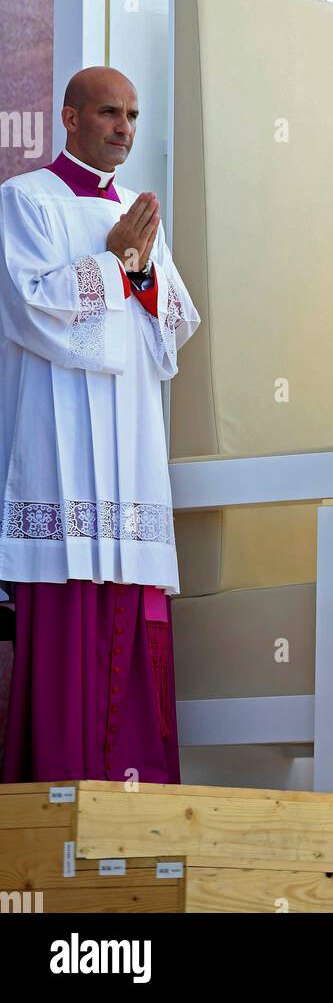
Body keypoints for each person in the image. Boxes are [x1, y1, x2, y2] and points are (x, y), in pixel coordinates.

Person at [0, 66, 199, 784]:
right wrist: (115, 261)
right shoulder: (24, 201)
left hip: (132, 440)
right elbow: (29, 311)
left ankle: (134, 785)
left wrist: (140, 273)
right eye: (110, 112)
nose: (125, 128)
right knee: (68, 616)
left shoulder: (139, 212)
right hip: (60, 437)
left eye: (134, 115)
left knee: (131, 615)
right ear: (69, 117)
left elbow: (173, 325)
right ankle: (57, 783)